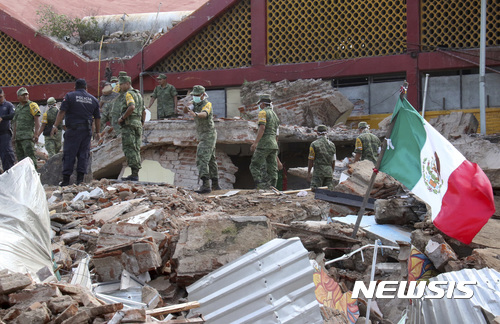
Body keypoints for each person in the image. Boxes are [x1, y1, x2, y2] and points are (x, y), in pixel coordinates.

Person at [51, 79, 100, 186]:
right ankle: (80, 181)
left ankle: (65, 181)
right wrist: (98, 132)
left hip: (73, 130)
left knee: (69, 153)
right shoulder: (93, 99)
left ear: (75, 87)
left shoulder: (70, 96)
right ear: (86, 88)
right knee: (83, 154)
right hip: (86, 131)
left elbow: (62, 112)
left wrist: (55, 126)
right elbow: (97, 118)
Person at [185, 85, 220, 193]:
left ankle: (205, 185)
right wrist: (188, 106)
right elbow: (184, 110)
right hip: (203, 135)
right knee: (211, 160)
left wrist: (195, 113)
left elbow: (204, 114)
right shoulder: (194, 103)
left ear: (203, 95)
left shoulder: (207, 104)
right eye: (193, 95)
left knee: (201, 158)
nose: (194, 97)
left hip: (208, 135)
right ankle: (215, 185)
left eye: (196, 95)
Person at [117, 75, 145, 181]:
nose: (120, 86)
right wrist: (141, 123)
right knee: (136, 148)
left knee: (130, 148)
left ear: (127, 84)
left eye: (121, 84)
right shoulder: (139, 95)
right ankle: (135, 173)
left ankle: (134, 174)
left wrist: (122, 118)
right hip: (137, 124)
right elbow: (143, 111)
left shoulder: (128, 94)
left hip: (129, 124)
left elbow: (132, 106)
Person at [249, 94, 280, 190]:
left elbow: (262, 128)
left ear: (262, 104)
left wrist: (255, 143)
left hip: (264, 143)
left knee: (254, 165)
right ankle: (273, 186)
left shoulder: (263, 113)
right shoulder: (275, 115)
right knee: (272, 167)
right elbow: (276, 133)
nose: (259, 106)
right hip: (273, 144)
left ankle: (260, 186)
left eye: (259, 104)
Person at [13, 87, 41, 168]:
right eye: (23, 95)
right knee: (21, 161)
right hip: (18, 138)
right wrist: (13, 137)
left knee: (30, 158)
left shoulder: (32, 105)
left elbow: (37, 120)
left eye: (26, 94)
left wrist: (36, 134)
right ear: (18, 97)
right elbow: (15, 123)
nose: (25, 96)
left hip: (27, 137)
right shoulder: (17, 108)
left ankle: (34, 176)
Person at [307, 125, 336, 191]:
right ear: (326, 133)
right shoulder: (332, 145)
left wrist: (309, 173)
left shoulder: (314, 144)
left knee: (315, 191)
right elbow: (334, 160)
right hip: (329, 172)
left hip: (318, 172)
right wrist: (331, 172)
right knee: (329, 193)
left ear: (317, 133)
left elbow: (311, 160)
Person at [0, 88, 16, 172]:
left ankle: (9, 173)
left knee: (6, 155)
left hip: (4, 134)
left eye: (0, 97)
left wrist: (3, 118)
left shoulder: (8, 105)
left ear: (4, 96)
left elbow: (14, 115)